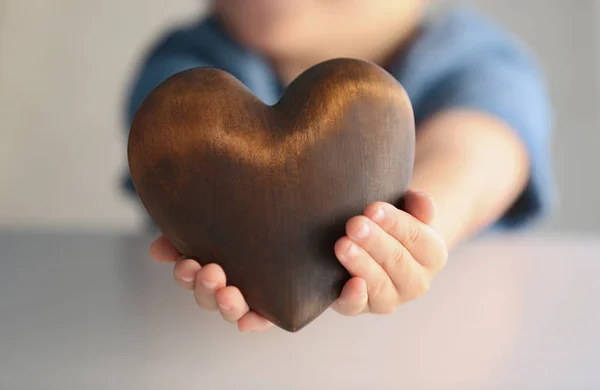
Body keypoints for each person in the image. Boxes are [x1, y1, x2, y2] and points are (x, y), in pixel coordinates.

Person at [123, 0, 555, 332]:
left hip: (445, 344)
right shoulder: (189, 67)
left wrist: (409, 228)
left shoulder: (476, 62)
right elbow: (164, 140)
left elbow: (478, 152)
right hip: (193, 349)